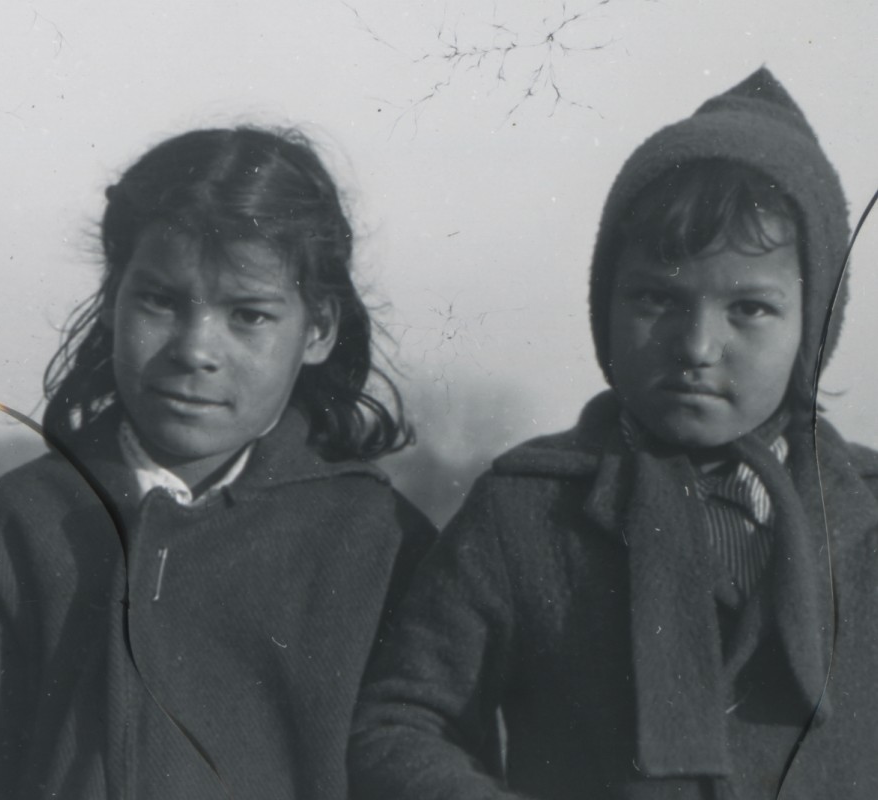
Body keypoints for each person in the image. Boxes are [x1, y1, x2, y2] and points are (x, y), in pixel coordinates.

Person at [348, 68, 878, 799]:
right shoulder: (526, 510)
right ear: (605, 305)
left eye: (749, 310)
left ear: (813, 325)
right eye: (657, 298)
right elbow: (400, 722)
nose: (696, 345)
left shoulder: (866, 517)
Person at [0, 127, 435, 799]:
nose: (197, 348)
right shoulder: (18, 524)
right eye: (161, 301)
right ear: (113, 301)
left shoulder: (376, 542)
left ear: (316, 330)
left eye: (249, 316)